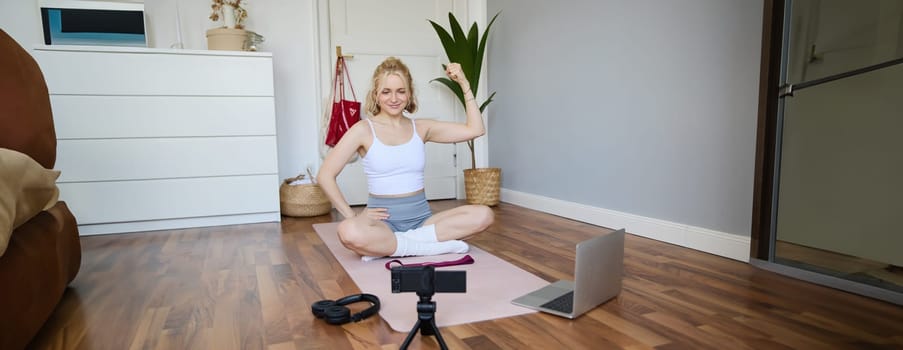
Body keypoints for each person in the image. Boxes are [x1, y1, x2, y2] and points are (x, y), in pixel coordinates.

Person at [317, 57, 494, 260]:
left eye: (401, 91)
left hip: (422, 221)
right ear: (375, 95)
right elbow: (325, 175)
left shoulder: (421, 128)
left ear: (409, 94)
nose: (394, 98)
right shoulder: (363, 130)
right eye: (386, 92)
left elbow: (475, 129)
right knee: (348, 231)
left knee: (484, 215)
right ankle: (425, 247)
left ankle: (396, 246)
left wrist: (464, 83)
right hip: (383, 224)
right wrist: (352, 216)